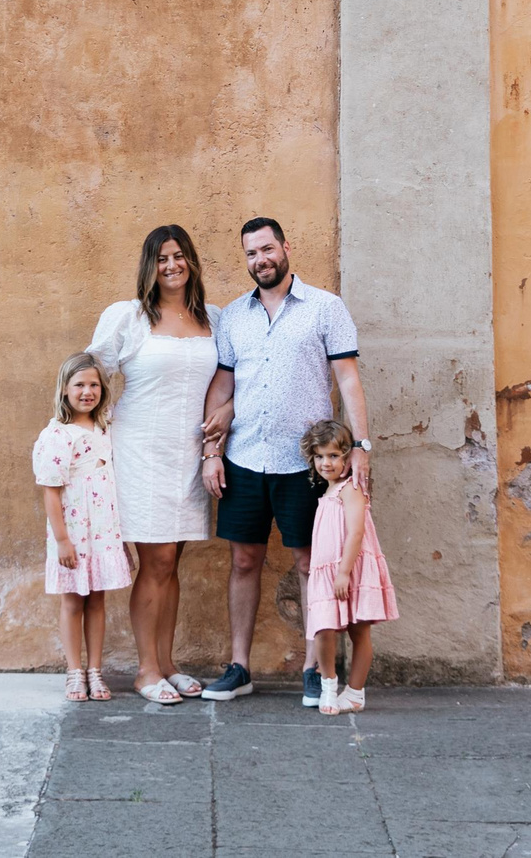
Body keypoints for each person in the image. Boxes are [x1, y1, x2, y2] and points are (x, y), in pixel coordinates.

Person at [196, 216, 374, 706]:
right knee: (244, 559)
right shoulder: (233, 316)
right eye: (252, 253)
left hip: (306, 466)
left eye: (268, 249)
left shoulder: (325, 308)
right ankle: (239, 667)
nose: (261, 260)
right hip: (245, 458)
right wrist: (212, 451)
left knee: (308, 562)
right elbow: (224, 386)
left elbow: (348, 381)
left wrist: (361, 445)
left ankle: (316, 668)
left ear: (285, 247)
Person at [85, 226, 223, 705]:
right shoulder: (128, 317)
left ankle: (168, 663)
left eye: (180, 256)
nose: (171, 265)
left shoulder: (213, 318)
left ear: (191, 262)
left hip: (191, 455)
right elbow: (91, 372)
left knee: (172, 561)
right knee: (156, 560)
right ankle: (146, 671)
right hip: (141, 450)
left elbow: (225, 382)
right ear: (150, 264)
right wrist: (84, 436)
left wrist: (220, 422)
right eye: (162, 258)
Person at [33, 352, 133, 703]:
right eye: (79, 385)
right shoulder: (57, 435)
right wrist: (62, 540)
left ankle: (95, 669)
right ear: (64, 389)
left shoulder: (105, 427)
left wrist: (119, 541)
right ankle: (74, 671)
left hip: (103, 532)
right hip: (73, 535)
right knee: (73, 601)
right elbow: (50, 491)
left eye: (93, 384)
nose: (87, 391)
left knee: (98, 601)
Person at [300, 418, 396, 714]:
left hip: (350, 569)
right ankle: (328, 684)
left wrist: (343, 572)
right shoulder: (326, 492)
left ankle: (354, 693)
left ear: (347, 456)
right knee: (323, 629)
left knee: (359, 631)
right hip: (326, 571)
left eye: (333, 455)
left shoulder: (350, 488)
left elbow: (356, 532)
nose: (325, 463)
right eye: (319, 456)